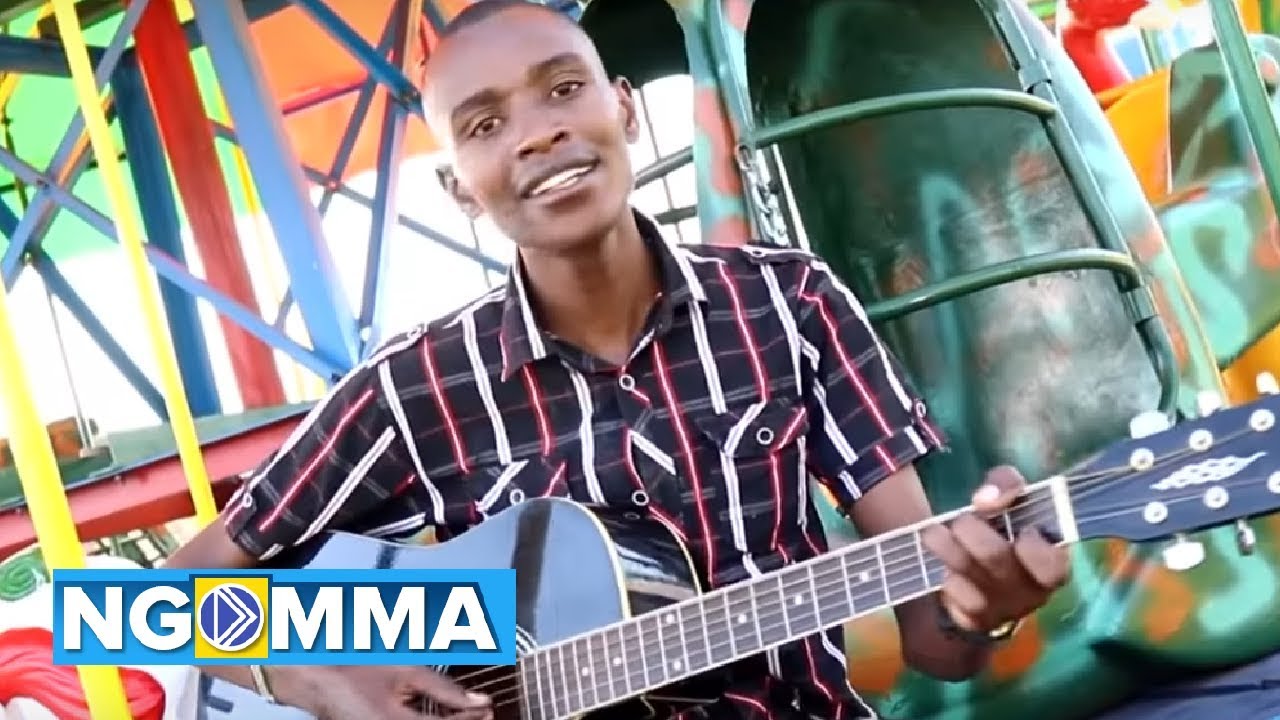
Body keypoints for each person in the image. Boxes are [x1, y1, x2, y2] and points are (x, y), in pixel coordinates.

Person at [165, 1, 1071, 718]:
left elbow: (935, 643)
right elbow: (135, 610)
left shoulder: (789, 304)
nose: (535, 134)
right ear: (459, 190)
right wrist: (309, 677)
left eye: (564, 89)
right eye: (484, 125)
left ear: (625, 109)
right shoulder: (412, 390)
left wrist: (976, 608)